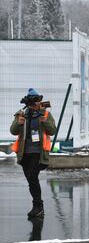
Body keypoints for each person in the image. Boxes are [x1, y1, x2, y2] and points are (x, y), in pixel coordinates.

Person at [10, 88, 57, 218]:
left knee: (32, 178)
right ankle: (38, 206)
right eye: (32, 103)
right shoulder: (21, 114)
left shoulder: (45, 115)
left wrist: (44, 121)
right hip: (24, 153)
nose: (34, 105)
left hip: (38, 153)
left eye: (36, 102)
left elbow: (52, 130)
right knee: (31, 180)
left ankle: (38, 206)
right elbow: (13, 131)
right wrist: (18, 124)